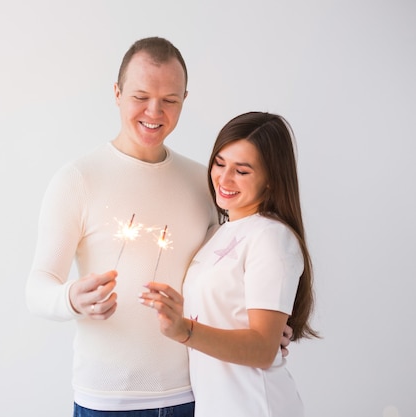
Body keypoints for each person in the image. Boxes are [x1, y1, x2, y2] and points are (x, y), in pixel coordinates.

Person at [26, 38, 291, 416]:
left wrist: (263, 331)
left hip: (195, 396)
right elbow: (36, 287)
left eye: (170, 99)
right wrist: (71, 298)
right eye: (140, 96)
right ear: (116, 94)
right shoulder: (78, 180)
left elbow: (229, 272)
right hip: (107, 400)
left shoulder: (206, 182)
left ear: (184, 99)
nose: (155, 111)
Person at [139, 111, 319, 417]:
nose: (224, 179)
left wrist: (184, 329)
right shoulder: (215, 234)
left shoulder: (272, 237)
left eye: (242, 171)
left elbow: (263, 350)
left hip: (257, 407)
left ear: (271, 181)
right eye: (219, 163)